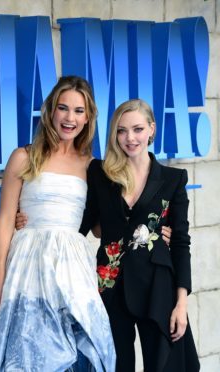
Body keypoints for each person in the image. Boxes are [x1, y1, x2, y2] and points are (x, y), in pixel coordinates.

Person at [0, 76, 116, 371]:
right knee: (27, 351)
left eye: (79, 111)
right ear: (51, 112)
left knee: (79, 346)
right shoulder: (23, 157)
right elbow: (6, 219)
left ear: (88, 117)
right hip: (27, 266)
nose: (70, 118)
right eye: (63, 108)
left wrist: (151, 229)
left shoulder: (91, 165)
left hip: (72, 269)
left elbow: (98, 225)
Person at [77, 99, 199, 371]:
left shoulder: (173, 179)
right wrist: (34, 224)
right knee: (113, 365)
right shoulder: (100, 173)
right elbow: (83, 222)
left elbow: (180, 242)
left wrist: (181, 304)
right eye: (121, 130)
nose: (129, 138)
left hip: (158, 288)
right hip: (109, 287)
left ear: (152, 130)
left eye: (138, 129)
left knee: (165, 365)